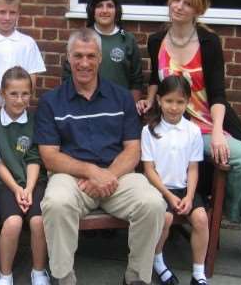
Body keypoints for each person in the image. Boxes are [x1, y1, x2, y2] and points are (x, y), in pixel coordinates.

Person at [136, 0, 241, 274]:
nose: (178, 6)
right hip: (177, 125)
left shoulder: (208, 42)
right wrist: (149, 100)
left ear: (198, 10)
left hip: (209, 123)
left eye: (187, 3)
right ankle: (237, 225)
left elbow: (217, 93)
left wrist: (217, 133)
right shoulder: (156, 40)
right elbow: (155, 78)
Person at [34, 28, 166, 285]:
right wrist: (91, 172)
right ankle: (63, 277)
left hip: (117, 175)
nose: (84, 63)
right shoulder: (51, 101)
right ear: (68, 58)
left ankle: (136, 277)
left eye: (91, 56)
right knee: (56, 203)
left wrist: (106, 176)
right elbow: (49, 156)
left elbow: (132, 149)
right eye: (78, 56)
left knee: (152, 203)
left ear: (100, 59)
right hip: (71, 178)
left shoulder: (120, 98)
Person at [142, 76, 208, 285]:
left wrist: (189, 196)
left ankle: (198, 273)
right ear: (159, 100)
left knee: (201, 219)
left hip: (184, 189)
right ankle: (158, 261)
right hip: (159, 189)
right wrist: (169, 196)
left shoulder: (193, 131)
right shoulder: (149, 131)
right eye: (169, 101)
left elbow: (193, 168)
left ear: (187, 102)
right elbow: (149, 170)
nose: (174, 107)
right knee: (166, 219)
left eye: (180, 102)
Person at [0, 66, 50, 285]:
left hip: (34, 182)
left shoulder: (36, 120)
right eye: (13, 94)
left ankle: (39, 271)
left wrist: (29, 189)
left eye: (25, 94)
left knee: (39, 221)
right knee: (13, 223)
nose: (19, 99)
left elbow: (34, 158)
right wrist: (16, 189)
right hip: (5, 183)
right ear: (3, 93)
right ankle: (5, 273)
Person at [63, 0, 143, 101]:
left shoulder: (127, 39)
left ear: (116, 10)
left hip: (119, 106)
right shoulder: (81, 39)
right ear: (92, 10)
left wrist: (131, 106)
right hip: (84, 105)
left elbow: (136, 80)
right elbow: (67, 76)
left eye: (110, 6)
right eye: (99, 6)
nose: (105, 11)